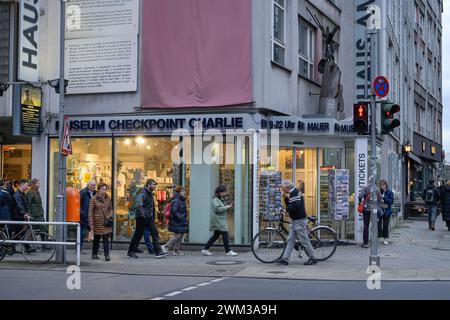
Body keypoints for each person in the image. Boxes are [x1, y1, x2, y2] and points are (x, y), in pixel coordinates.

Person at [278, 180, 318, 266]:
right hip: (295, 220)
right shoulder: (293, 193)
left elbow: (295, 205)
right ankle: (285, 259)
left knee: (304, 240)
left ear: (286, 187)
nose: (282, 189)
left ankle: (313, 258)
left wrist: (286, 210)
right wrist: (285, 198)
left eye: (283, 188)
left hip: (299, 220)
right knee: (290, 240)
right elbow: (291, 204)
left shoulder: (295, 193)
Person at [127, 179, 168, 259]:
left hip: (147, 217)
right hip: (144, 217)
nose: (155, 186)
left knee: (140, 234)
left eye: (155, 185)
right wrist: (144, 216)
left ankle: (131, 250)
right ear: (148, 185)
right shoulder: (143, 192)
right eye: (153, 185)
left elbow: (150, 206)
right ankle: (158, 251)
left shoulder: (149, 193)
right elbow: (139, 205)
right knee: (151, 232)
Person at [202, 185, 237, 256]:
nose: (225, 193)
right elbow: (218, 209)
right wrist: (227, 207)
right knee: (225, 235)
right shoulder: (215, 200)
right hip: (219, 221)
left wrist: (228, 206)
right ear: (220, 192)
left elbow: (221, 207)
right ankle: (228, 251)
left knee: (216, 236)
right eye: (224, 192)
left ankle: (205, 249)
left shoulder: (219, 199)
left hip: (220, 220)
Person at [88, 183, 113, 261]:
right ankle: (94, 254)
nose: (104, 191)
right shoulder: (93, 199)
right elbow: (90, 212)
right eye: (102, 189)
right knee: (96, 239)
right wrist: (91, 224)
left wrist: (109, 215)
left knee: (106, 239)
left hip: (106, 222)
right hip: (97, 222)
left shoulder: (108, 198)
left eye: (105, 189)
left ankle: (107, 255)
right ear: (98, 189)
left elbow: (111, 209)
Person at [162, 186, 188, 255]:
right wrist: (180, 217)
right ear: (179, 192)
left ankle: (176, 250)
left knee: (181, 235)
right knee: (178, 235)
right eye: (183, 191)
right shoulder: (177, 200)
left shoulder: (181, 199)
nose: (184, 192)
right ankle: (166, 246)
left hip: (180, 220)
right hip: (177, 220)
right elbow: (174, 210)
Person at [11, 179, 34, 253]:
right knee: (21, 232)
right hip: (17, 216)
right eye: (26, 185)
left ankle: (13, 247)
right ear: (22, 185)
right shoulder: (17, 194)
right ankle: (26, 248)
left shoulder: (22, 194)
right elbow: (19, 205)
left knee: (21, 232)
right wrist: (24, 213)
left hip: (19, 215)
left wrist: (27, 212)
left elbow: (24, 205)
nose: (28, 187)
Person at [79, 180, 96, 251]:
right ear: (88, 185)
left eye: (95, 185)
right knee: (82, 233)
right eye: (92, 185)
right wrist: (82, 212)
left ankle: (96, 248)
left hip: (91, 216)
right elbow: (78, 204)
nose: (94, 187)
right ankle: (78, 248)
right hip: (84, 217)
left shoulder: (95, 193)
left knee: (94, 232)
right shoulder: (83, 192)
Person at [377, 180, 394, 245]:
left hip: (387, 211)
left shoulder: (390, 192)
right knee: (378, 224)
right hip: (380, 210)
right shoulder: (378, 192)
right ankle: (378, 237)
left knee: (385, 225)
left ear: (386, 185)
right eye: (381, 185)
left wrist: (384, 198)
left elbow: (391, 202)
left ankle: (385, 239)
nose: (382, 186)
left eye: (383, 185)